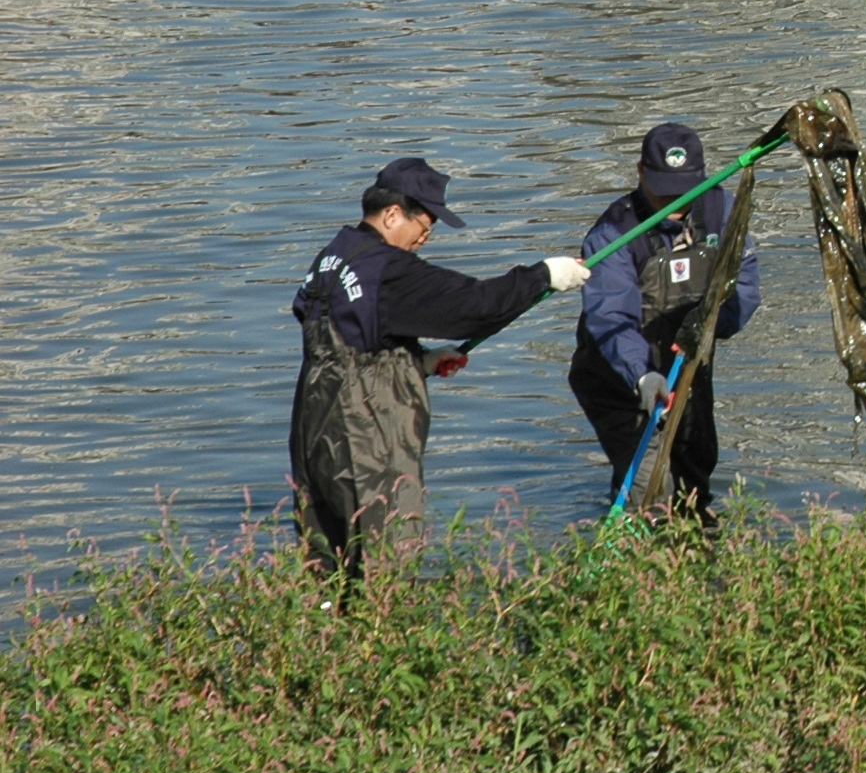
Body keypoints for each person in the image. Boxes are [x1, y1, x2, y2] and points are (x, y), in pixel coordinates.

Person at [289, 158, 588, 574]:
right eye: (424, 227)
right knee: (386, 554)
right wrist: (544, 276)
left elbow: (348, 341)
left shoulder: (332, 258)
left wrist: (416, 363)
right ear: (393, 214)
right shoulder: (388, 270)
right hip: (365, 434)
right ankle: (383, 634)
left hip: (312, 427)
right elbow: (476, 307)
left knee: (326, 554)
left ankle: (320, 633)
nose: (425, 240)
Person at [567, 123, 760, 518]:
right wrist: (642, 375)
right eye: (662, 187)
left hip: (685, 365)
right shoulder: (613, 233)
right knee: (650, 484)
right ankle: (639, 563)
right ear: (640, 172)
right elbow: (611, 315)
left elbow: (745, 290)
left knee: (695, 475)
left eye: (684, 188)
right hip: (619, 377)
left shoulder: (721, 212)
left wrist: (708, 328)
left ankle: (697, 563)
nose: (675, 199)